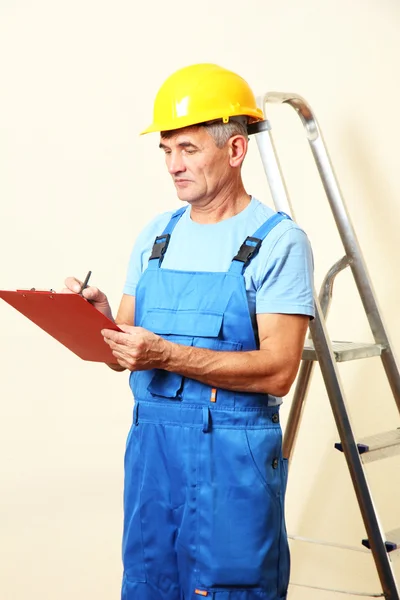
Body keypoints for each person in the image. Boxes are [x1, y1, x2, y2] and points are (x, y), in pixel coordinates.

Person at [65, 63, 315, 600]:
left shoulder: (278, 242)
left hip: (232, 457)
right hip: (153, 454)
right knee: (150, 586)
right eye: (166, 151)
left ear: (235, 150)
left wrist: (166, 354)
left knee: (231, 590)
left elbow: (278, 370)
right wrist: (102, 318)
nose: (173, 166)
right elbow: (123, 352)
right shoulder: (156, 236)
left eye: (189, 149)